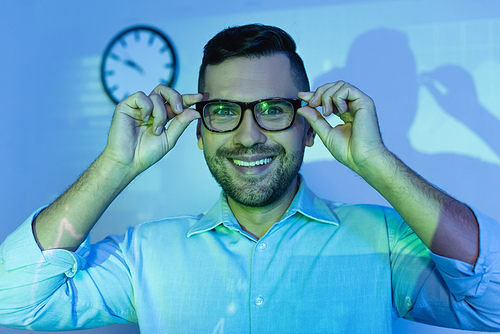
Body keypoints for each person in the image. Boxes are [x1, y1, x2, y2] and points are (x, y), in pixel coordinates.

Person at [0, 24, 499, 333]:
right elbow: (15, 304)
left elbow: (492, 305)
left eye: (273, 109)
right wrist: (116, 165)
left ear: (308, 126)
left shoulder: (384, 243)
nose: (249, 133)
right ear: (198, 131)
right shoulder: (143, 256)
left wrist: (375, 162)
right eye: (223, 110)